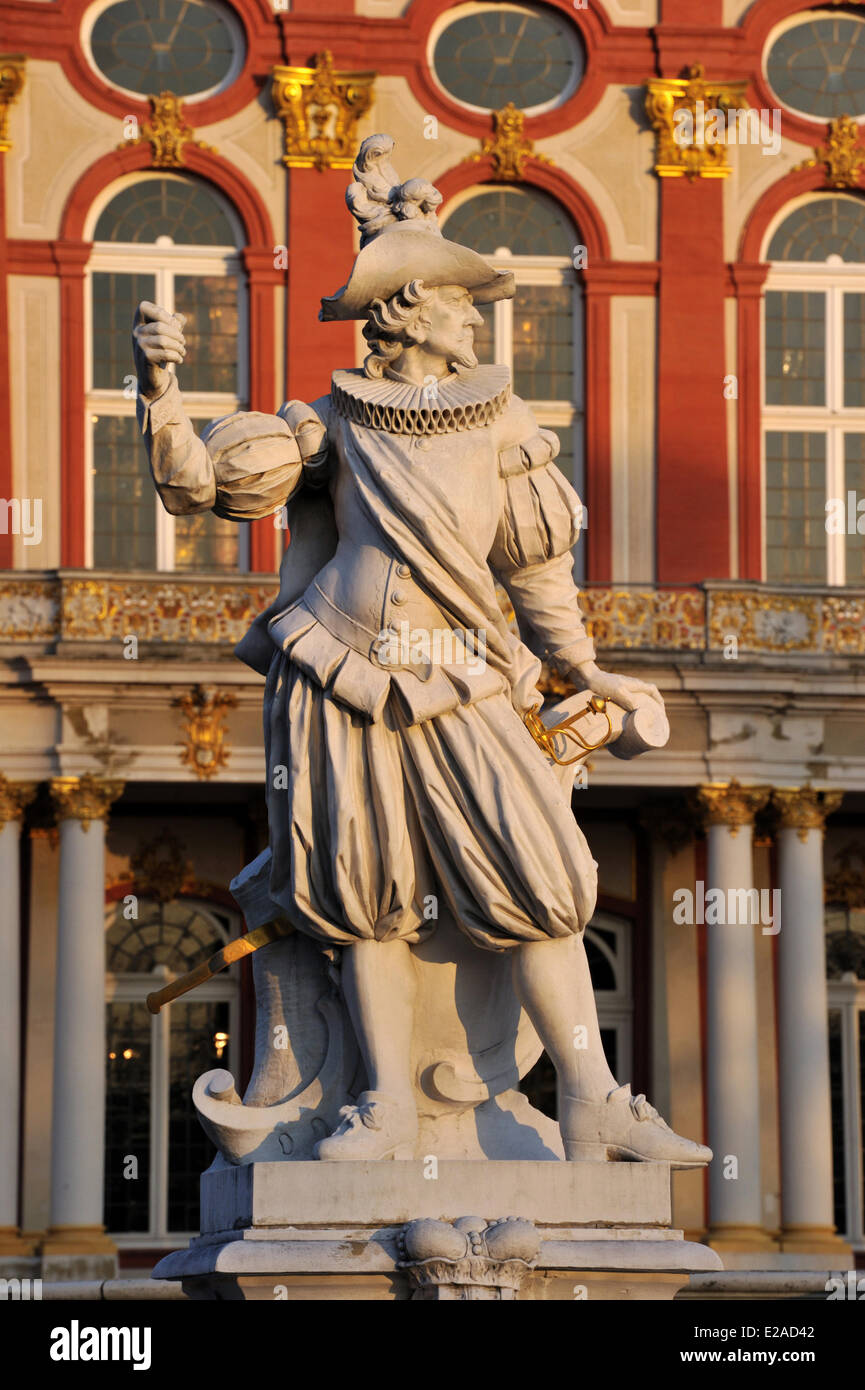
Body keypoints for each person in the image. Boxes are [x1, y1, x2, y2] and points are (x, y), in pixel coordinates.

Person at [132, 134, 710, 1169]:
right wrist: (161, 391)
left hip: (464, 677)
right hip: (340, 671)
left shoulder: (503, 424)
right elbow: (211, 487)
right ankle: (386, 1105)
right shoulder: (330, 423)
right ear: (403, 312)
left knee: (541, 879)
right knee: (363, 893)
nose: (472, 310)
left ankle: (589, 1095)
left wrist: (587, 671)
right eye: (451, 295)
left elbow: (535, 578)